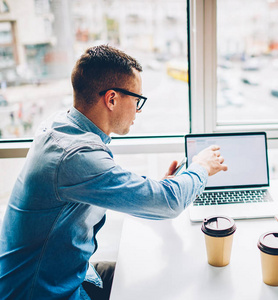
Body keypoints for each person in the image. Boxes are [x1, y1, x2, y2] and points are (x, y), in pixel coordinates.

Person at [0, 45, 228, 300]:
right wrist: (202, 167)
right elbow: (168, 202)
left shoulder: (61, 127)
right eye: (137, 100)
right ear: (111, 99)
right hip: (43, 292)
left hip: (64, 274)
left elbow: (110, 183)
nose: (138, 111)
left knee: (155, 274)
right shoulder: (75, 156)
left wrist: (152, 191)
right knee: (169, 285)